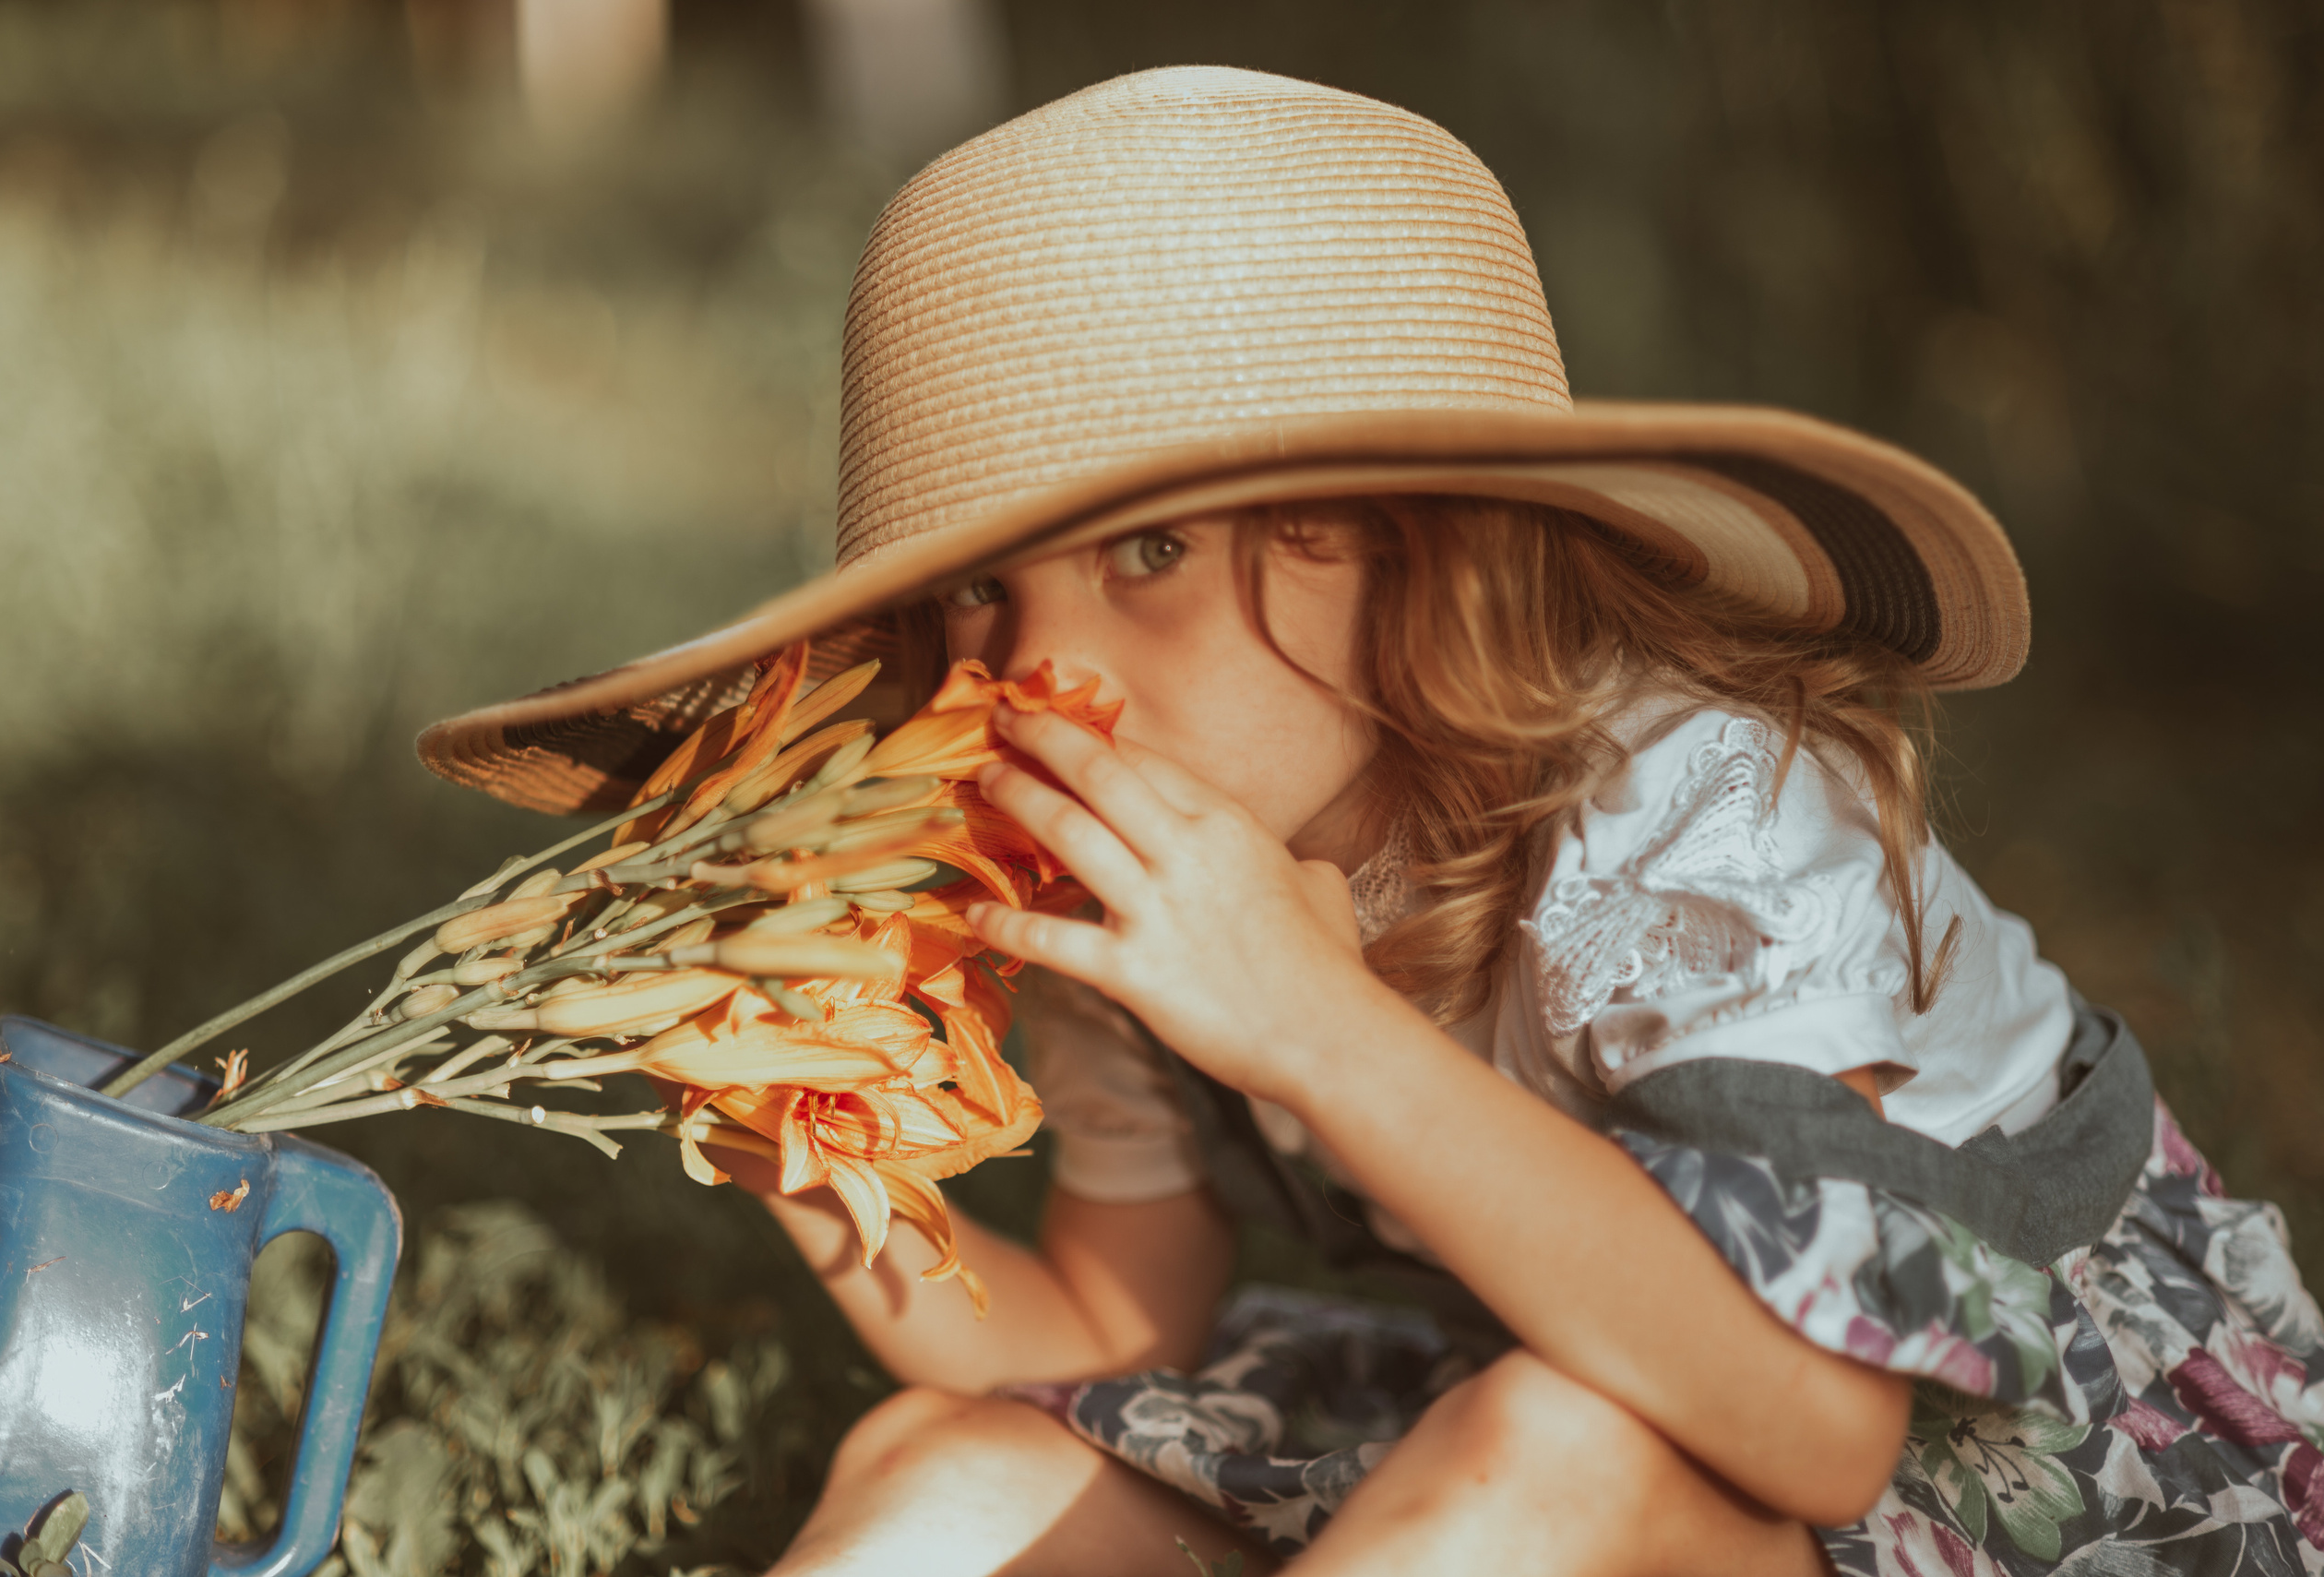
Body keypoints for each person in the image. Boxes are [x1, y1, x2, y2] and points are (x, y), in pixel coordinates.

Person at [417, 67, 2324, 1577]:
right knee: (944, 1464)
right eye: (977, 593)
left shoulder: (1688, 815)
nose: (1038, 664)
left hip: (2048, 1479)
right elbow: (1099, 1319)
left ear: (1406, 546)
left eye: (1147, 553)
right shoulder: (1131, 864)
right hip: (1625, 1405)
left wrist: (1308, 1025)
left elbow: (1822, 1430)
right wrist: (819, 1152)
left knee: (1540, 1455)